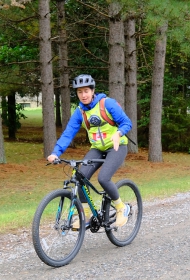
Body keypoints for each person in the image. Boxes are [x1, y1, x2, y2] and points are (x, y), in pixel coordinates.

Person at [47, 74, 132, 228]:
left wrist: (118, 134)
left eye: (86, 91)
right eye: (80, 92)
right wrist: (55, 153)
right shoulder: (80, 112)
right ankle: (85, 215)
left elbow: (126, 123)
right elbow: (68, 133)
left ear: (93, 91)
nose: (83, 95)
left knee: (104, 178)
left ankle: (121, 208)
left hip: (116, 147)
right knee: (79, 177)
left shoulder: (107, 104)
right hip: (98, 148)